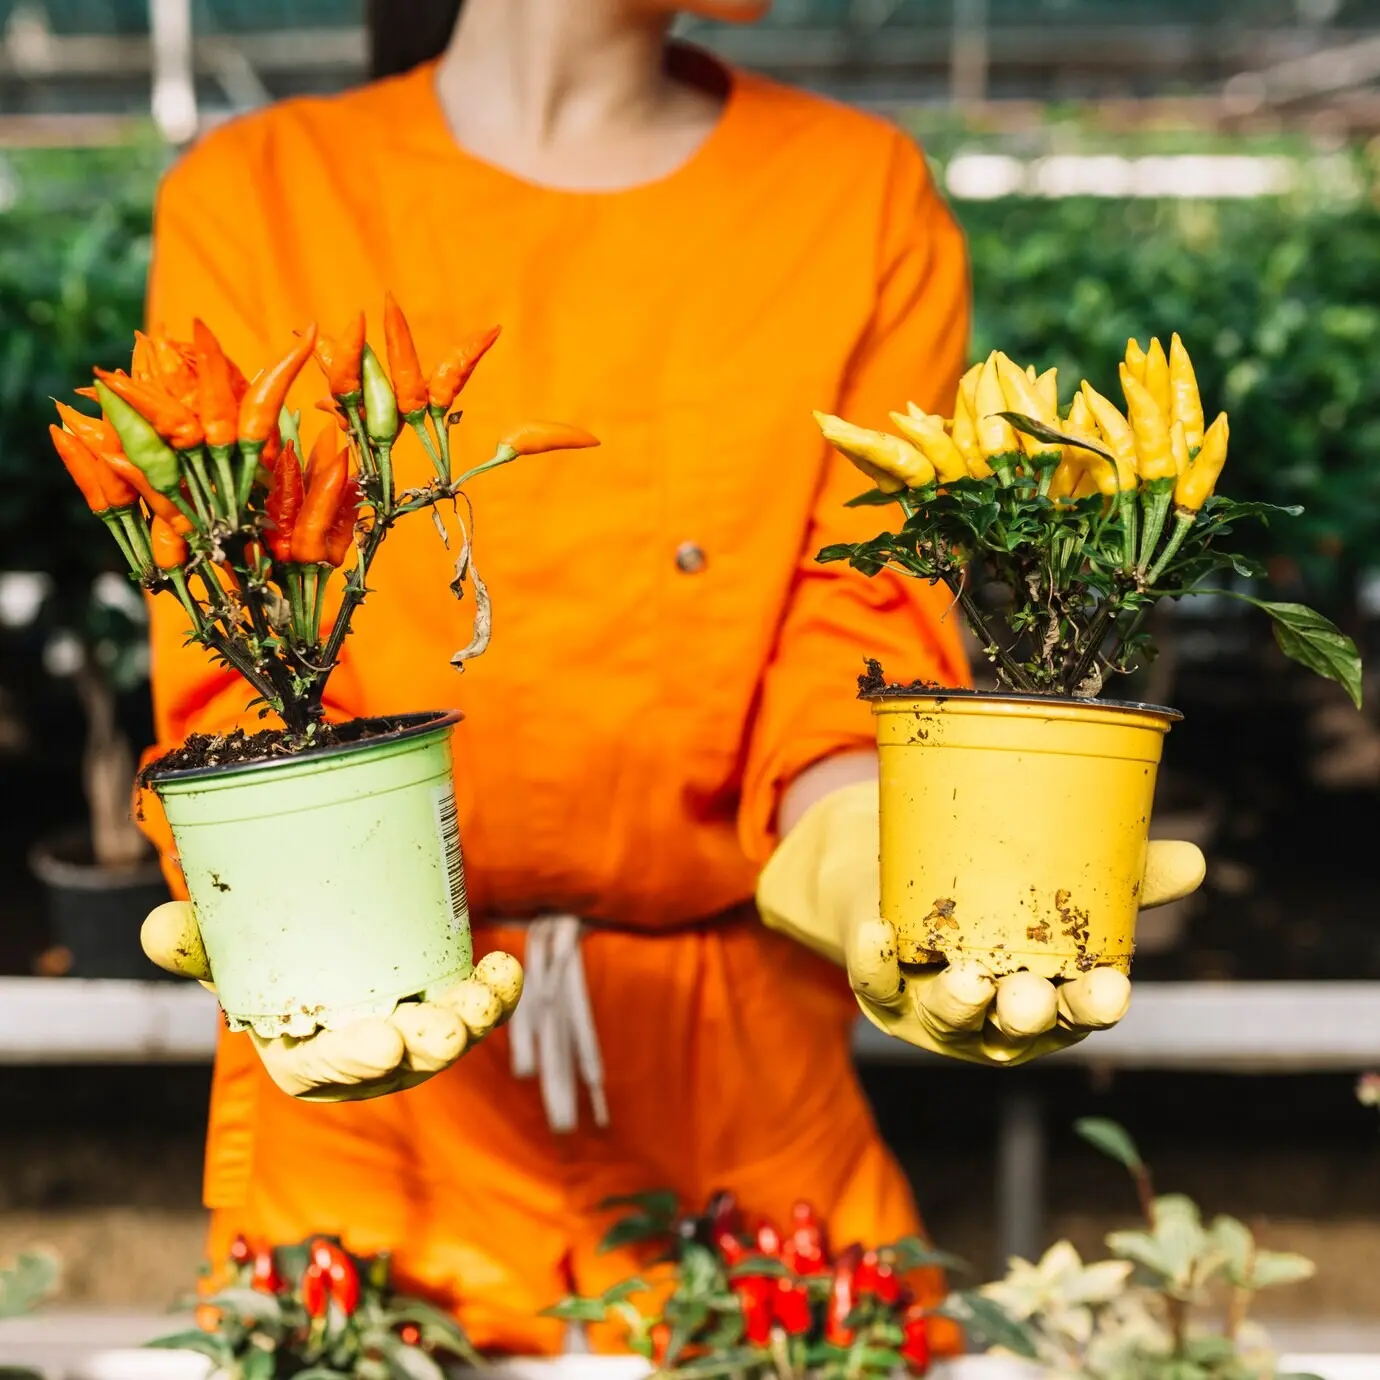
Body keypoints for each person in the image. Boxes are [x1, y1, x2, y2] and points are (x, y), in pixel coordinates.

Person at [136, 0, 1205, 1353]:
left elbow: (853, 631)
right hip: (379, 1096)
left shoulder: (852, 195)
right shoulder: (260, 197)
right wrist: (272, 910)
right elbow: (233, 655)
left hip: (743, 1100)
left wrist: (883, 870)